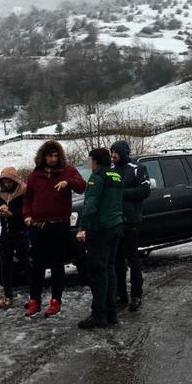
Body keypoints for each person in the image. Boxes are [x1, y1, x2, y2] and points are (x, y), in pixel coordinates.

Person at [22, 140, 86, 318]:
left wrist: (68, 182)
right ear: (43, 157)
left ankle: (56, 301)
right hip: (38, 225)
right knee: (38, 265)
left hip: (60, 224)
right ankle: (34, 301)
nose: (53, 159)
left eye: (56, 155)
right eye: (50, 156)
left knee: (58, 263)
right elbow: (27, 198)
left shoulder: (68, 171)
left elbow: (82, 186)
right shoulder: (35, 175)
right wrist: (27, 216)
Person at [76, 148, 124, 329]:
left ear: (95, 161)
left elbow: (90, 205)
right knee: (110, 270)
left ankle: (99, 315)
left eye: (90, 160)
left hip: (100, 229)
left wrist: (83, 227)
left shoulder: (96, 178)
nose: (88, 164)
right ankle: (111, 313)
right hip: (116, 227)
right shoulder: (116, 175)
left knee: (97, 272)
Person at [110, 140, 150, 312]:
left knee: (133, 258)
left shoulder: (137, 168)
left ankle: (136, 295)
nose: (113, 155)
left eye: (115, 152)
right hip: (114, 222)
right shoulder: (111, 171)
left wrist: (121, 193)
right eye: (111, 152)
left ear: (123, 152)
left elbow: (144, 191)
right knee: (117, 259)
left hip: (131, 220)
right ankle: (121, 294)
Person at [0, 167, 32, 309]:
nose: (6, 184)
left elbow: (28, 208)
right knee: (5, 264)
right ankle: (8, 295)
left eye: (9, 181)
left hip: (20, 231)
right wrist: (0, 208)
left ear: (14, 180)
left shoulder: (23, 191)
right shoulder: (1, 194)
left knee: (25, 262)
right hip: (5, 232)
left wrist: (12, 214)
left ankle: (34, 294)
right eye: (4, 181)